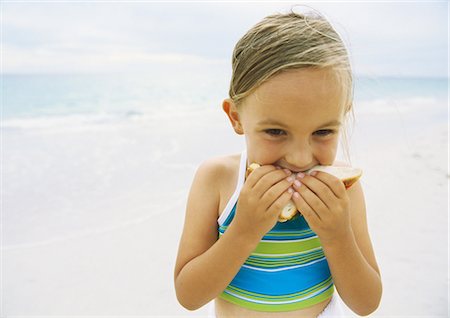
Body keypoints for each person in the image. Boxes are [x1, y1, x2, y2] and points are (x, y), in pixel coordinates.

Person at [174, 9, 382, 318]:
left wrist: (337, 236)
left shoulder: (343, 191)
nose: (300, 158)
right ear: (235, 117)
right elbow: (189, 296)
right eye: (275, 131)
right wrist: (244, 229)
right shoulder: (217, 180)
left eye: (323, 132)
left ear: (343, 116)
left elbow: (366, 303)